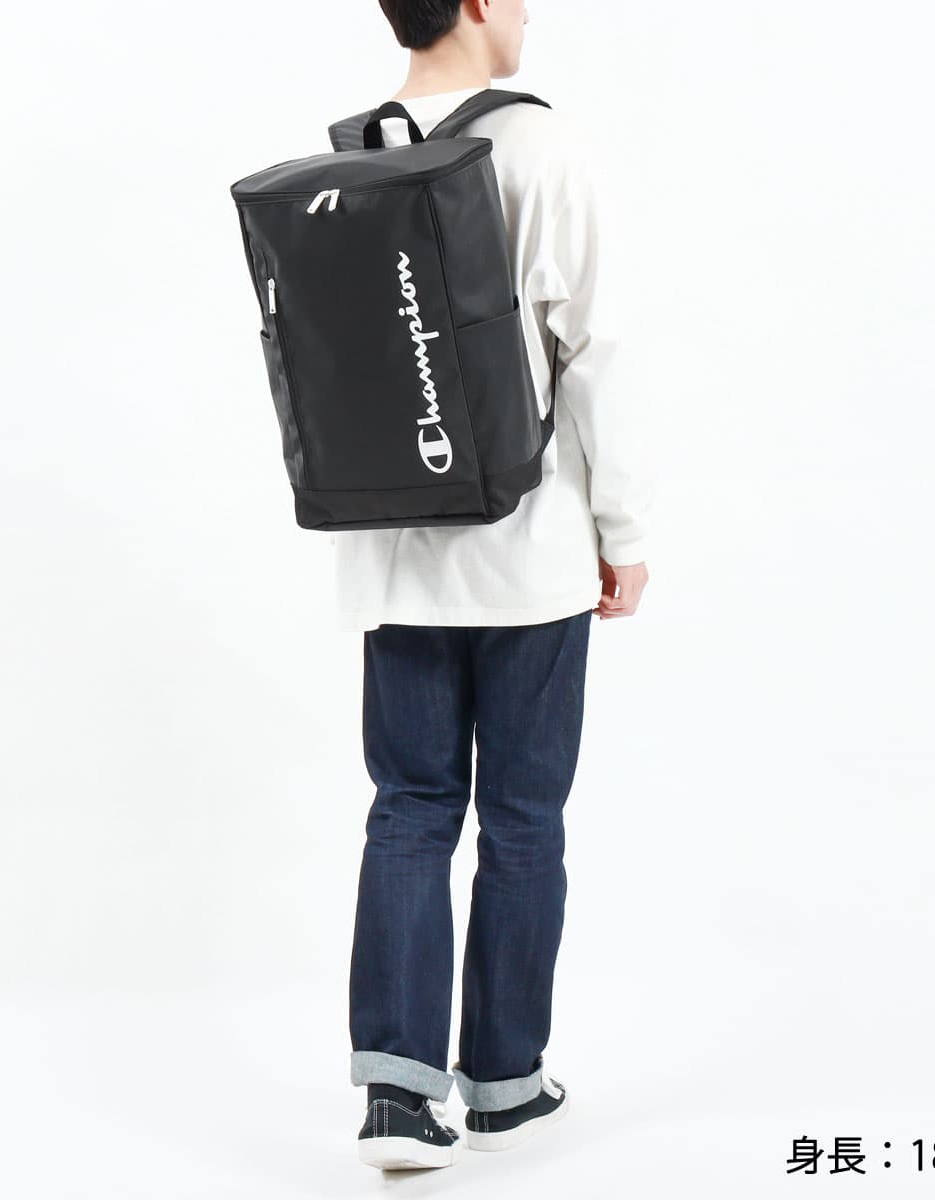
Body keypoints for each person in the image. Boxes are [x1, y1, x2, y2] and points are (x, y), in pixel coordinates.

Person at [343, 0, 653, 1171]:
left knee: (409, 809)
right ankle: (507, 1084)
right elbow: (598, 354)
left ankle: (397, 1098)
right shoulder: (542, 145)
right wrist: (624, 530)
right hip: (531, 555)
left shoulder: (356, 153)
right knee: (523, 818)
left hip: (395, 556)